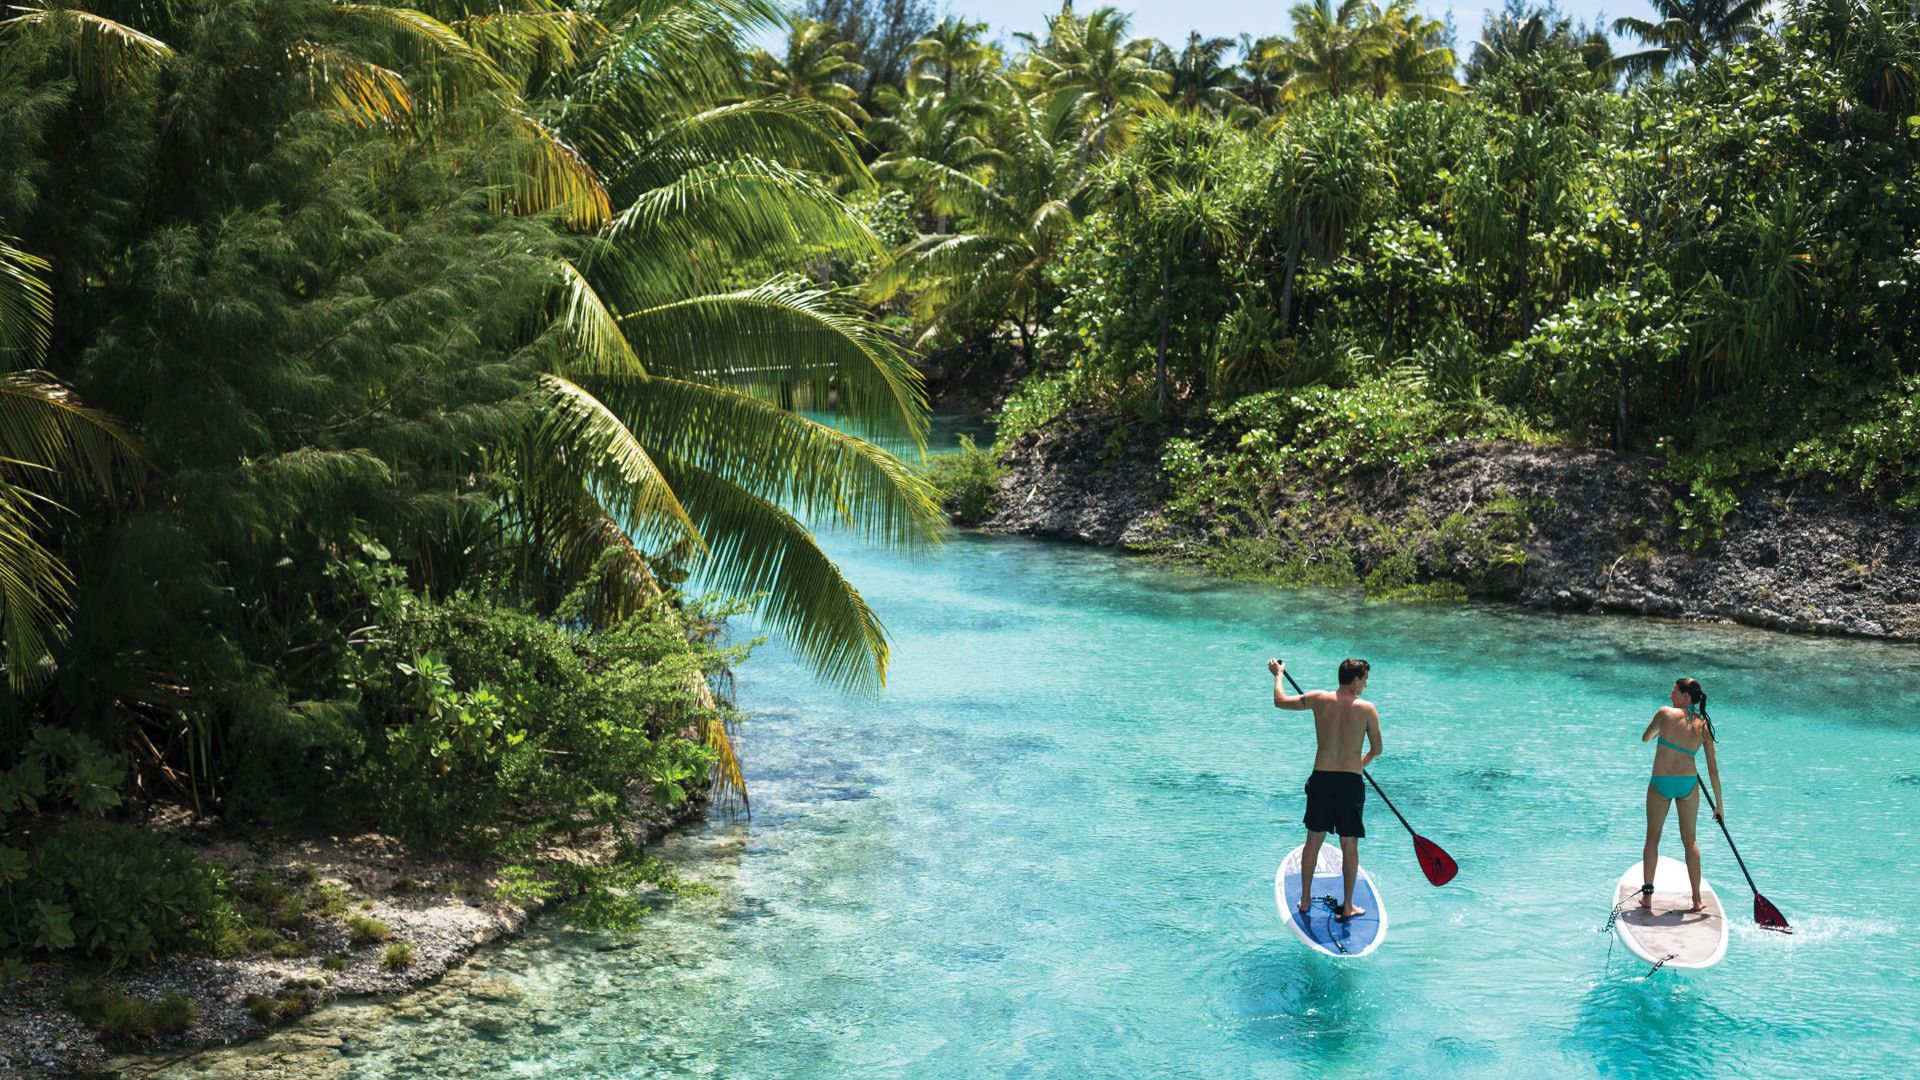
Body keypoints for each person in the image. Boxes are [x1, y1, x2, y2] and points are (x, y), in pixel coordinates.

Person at [1269, 657, 1381, 921]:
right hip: (1349, 783)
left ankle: (1305, 899)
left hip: (1322, 780)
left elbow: (1279, 701)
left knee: (1313, 840)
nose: (1366, 684)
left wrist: (1278, 674)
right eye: (1365, 679)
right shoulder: (1367, 709)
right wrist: (1359, 763)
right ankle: (1349, 905)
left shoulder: (1319, 699)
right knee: (1349, 842)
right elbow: (1377, 749)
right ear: (1355, 679)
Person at [1638, 677, 1723, 912]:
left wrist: (1661, 734)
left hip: (1661, 783)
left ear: (1686, 696)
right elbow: (1713, 770)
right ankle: (1696, 900)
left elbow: (1645, 738)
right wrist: (1719, 804)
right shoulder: (1703, 726)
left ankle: (1647, 897)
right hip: (1688, 784)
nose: (1670, 696)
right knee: (1690, 841)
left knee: (1652, 838)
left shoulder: (1664, 714)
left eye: (1675, 692)